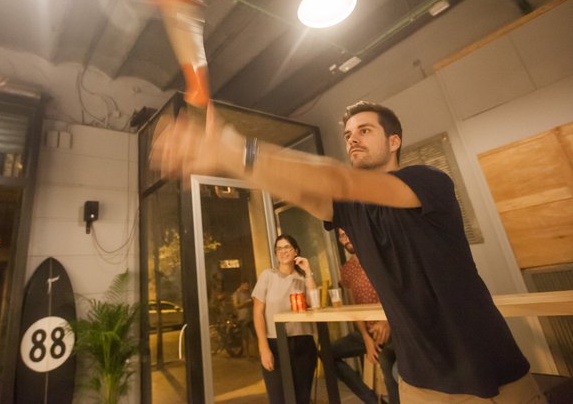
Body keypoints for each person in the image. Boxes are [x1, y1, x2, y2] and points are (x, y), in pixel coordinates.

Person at [150, 101, 545, 403]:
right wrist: (230, 158)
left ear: (394, 142)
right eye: (349, 133)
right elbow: (298, 187)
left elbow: (338, 179)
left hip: (491, 373)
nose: (352, 138)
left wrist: (233, 148)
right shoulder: (349, 209)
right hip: (417, 381)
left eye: (365, 130)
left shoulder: (427, 181)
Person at [332, 228, 398, 404]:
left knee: (386, 363)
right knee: (329, 353)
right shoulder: (346, 270)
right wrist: (365, 338)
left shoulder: (378, 257)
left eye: (348, 232)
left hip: (392, 326)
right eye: (342, 236)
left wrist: (387, 321)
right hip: (367, 330)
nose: (345, 238)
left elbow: (396, 292)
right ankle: (372, 401)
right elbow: (354, 306)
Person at [251, 234, 317, 404]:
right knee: (278, 398)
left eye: (287, 247)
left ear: (296, 251)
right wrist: (263, 347)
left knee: (302, 398)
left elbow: (315, 304)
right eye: (279, 248)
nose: (283, 251)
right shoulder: (267, 276)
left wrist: (308, 271)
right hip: (274, 343)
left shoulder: (302, 279)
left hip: (302, 342)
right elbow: (258, 313)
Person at [232, 279, 255, 355]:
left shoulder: (248, 292)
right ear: (242, 284)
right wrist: (244, 303)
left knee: (255, 334)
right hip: (243, 318)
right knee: (245, 337)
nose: (247, 287)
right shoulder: (236, 294)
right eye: (245, 286)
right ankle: (247, 354)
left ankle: (257, 352)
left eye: (248, 286)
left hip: (251, 317)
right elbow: (236, 305)